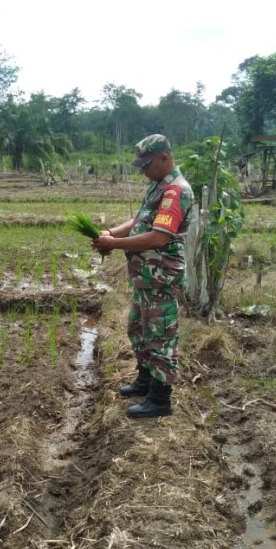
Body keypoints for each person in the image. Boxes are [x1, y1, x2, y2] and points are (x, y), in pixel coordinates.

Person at [92, 134, 193, 418]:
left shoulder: (176, 191)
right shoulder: (158, 186)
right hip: (146, 278)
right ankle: (145, 380)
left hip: (161, 277)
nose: (143, 170)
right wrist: (112, 232)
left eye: (146, 164)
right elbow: (139, 221)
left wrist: (113, 244)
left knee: (160, 336)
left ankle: (160, 400)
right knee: (138, 330)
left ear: (164, 158)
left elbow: (158, 238)